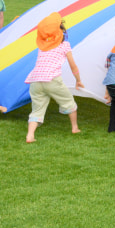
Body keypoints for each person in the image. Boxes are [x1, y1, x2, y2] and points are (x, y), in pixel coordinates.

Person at [24, 13, 84, 143]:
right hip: (52, 79)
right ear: (61, 32)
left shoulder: (42, 47)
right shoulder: (65, 45)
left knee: (37, 109)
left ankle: (30, 135)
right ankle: (75, 127)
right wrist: (78, 80)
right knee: (68, 101)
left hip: (35, 80)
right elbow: (73, 66)